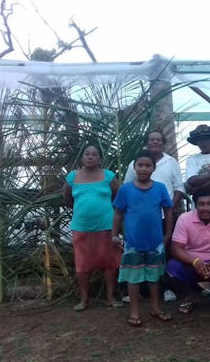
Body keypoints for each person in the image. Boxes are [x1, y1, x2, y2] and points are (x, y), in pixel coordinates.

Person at [112, 150, 173, 327]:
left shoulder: (160, 188)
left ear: (153, 168)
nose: (144, 169)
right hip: (132, 243)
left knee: (154, 277)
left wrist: (168, 234)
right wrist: (114, 234)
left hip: (155, 242)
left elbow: (168, 211)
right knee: (133, 278)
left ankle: (155, 308)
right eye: (140, 165)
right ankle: (134, 311)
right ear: (134, 167)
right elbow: (118, 212)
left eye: (148, 165)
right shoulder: (126, 189)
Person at [123, 130, 184, 302]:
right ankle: (141, 291)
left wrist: (169, 207)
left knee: (162, 254)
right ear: (147, 142)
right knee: (138, 254)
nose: (155, 142)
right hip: (139, 221)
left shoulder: (171, 162)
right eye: (152, 140)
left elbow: (179, 187)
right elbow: (127, 188)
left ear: (163, 143)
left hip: (164, 217)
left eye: (158, 140)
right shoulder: (133, 164)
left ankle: (166, 289)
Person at [63, 144, 122, 311]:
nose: (90, 157)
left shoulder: (108, 176)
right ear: (82, 158)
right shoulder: (72, 177)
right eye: (87, 154)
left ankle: (110, 297)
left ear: (100, 159)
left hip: (106, 227)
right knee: (82, 265)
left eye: (94, 154)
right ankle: (84, 300)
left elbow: (120, 198)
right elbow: (67, 200)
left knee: (109, 262)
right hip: (81, 227)